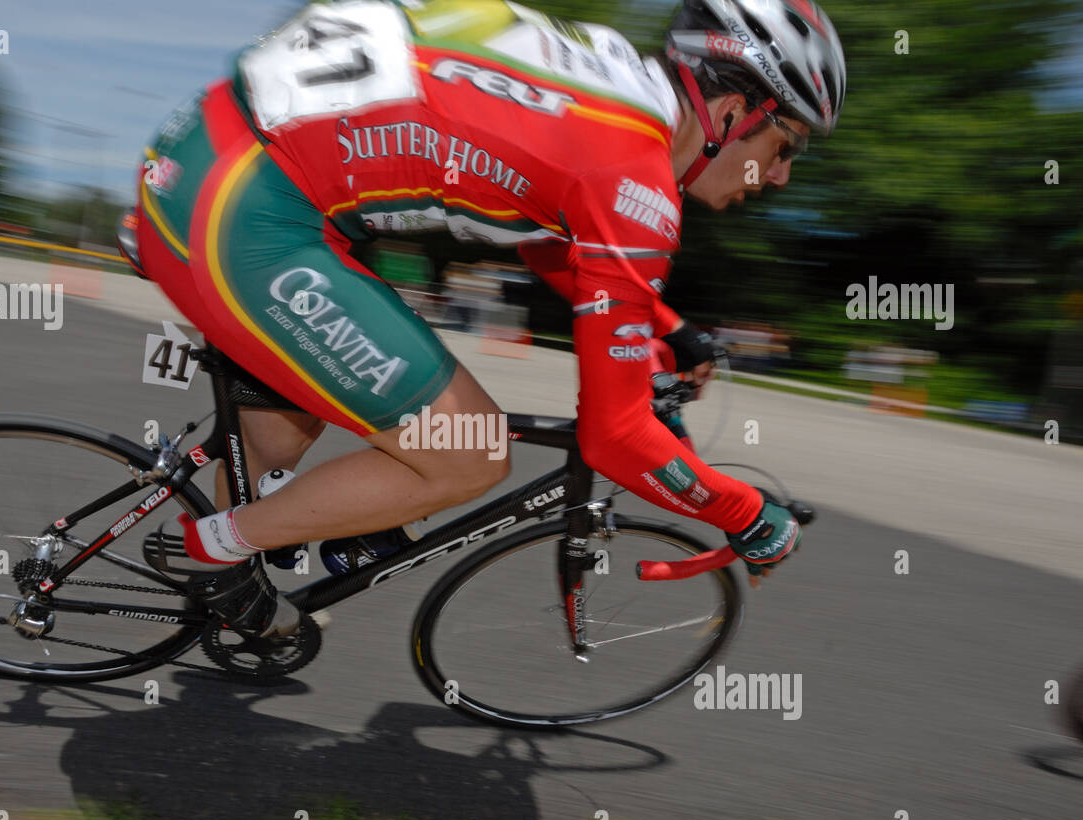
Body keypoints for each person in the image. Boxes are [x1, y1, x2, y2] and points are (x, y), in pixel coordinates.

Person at [127, 0, 847, 636]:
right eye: (783, 148)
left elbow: (537, 223)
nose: (779, 177)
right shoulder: (636, 180)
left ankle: (232, 578)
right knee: (467, 451)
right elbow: (614, 437)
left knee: (292, 421)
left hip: (214, 157)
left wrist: (664, 328)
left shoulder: (609, 72)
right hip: (245, 216)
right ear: (733, 116)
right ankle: (210, 553)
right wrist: (748, 516)